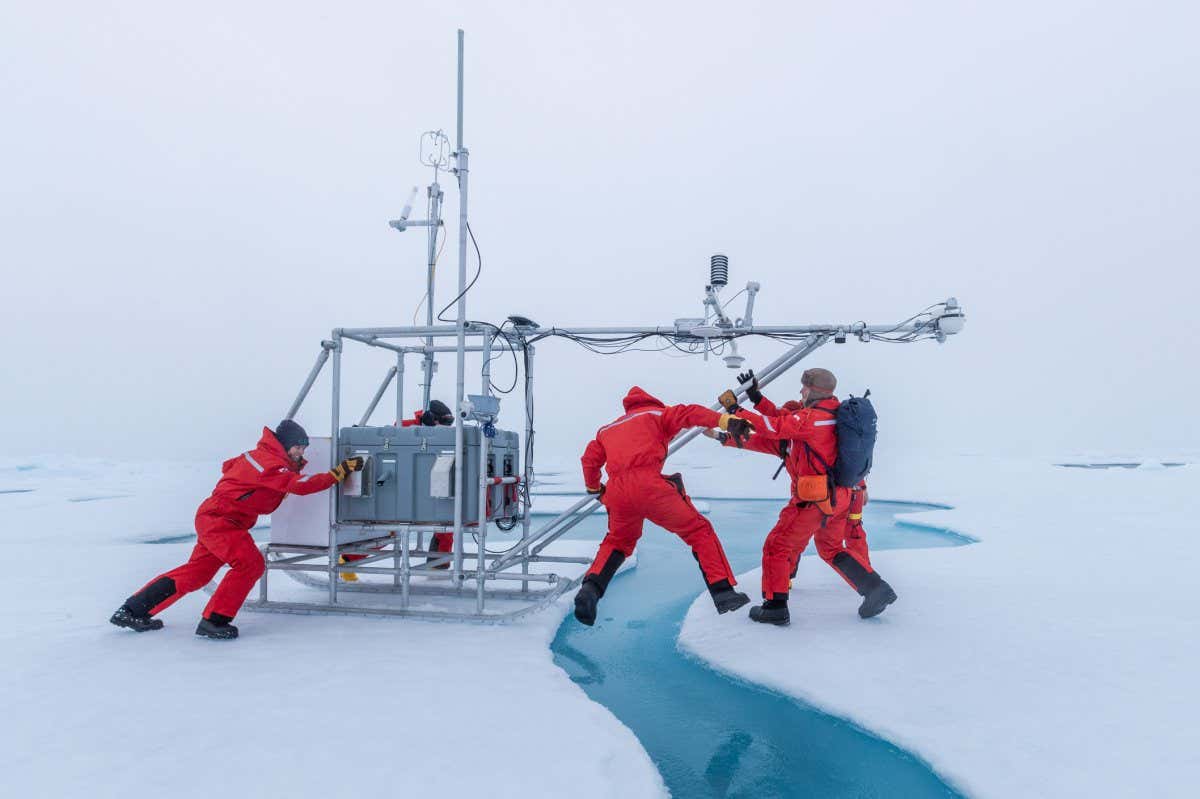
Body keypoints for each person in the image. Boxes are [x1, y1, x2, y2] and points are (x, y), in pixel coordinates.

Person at [109, 420, 363, 639]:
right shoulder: (269, 464)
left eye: (304, 448)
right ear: (284, 445)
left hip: (220, 519)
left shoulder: (262, 458)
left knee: (197, 574)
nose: (301, 452)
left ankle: (132, 611)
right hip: (222, 521)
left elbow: (237, 470)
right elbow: (301, 485)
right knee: (250, 564)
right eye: (298, 447)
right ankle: (215, 621)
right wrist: (338, 473)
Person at [718, 368, 896, 625]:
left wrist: (736, 411)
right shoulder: (833, 415)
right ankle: (876, 589)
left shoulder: (811, 419)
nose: (801, 391)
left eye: (804, 387)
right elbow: (783, 417)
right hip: (841, 496)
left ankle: (775, 606)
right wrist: (756, 397)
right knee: (831, 548)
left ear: (813, 390)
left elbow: (775, 426)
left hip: (816, 499)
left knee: (778, 545)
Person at [573, 386, 754, 626]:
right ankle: (723, 593)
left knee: (617, 542)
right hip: (649, 485)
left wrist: (595, 489)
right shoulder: (658, 415)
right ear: (652, 401)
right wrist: (725, 420)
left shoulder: (607, 430)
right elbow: (690, 413)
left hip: (617, 492)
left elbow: (589, 460)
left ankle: (590, 590)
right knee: (698, 531)